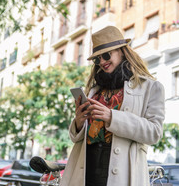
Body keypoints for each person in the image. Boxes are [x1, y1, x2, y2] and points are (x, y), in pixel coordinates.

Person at [60, 26, 165, 186]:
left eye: (106, 55)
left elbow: (154, 132)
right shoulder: (94, 90)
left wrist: (112, 117)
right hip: (86, 170)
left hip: (123, 174)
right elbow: (78, 139)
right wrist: (79, 123)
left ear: (122, 51)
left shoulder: (150, 87)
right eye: (97, 59)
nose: (102, 62)